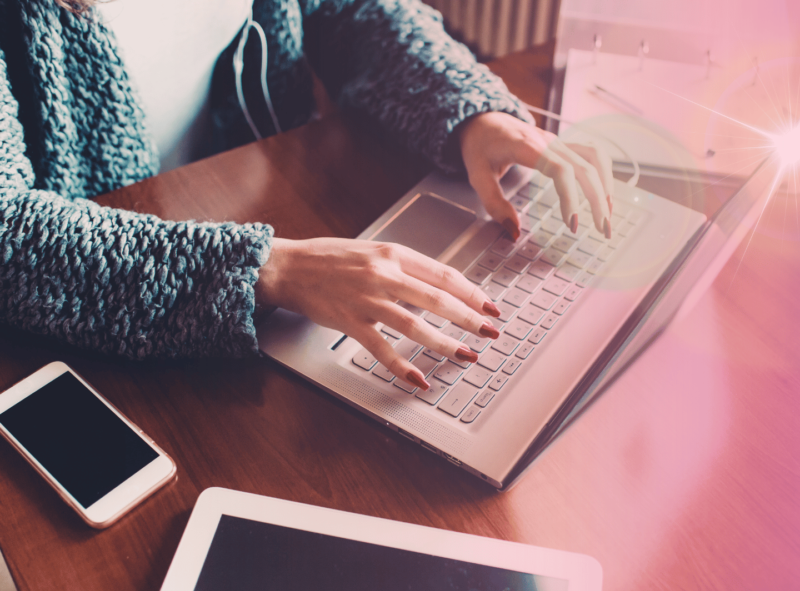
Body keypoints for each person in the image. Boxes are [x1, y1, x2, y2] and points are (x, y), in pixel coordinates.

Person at [0, 0, 613, 390]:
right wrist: (270, 269)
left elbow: (352, 11)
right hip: (101, 322)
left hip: (271, 225)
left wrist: (469, 112)